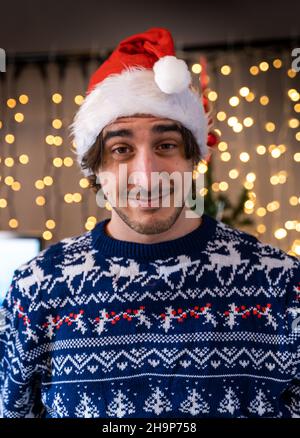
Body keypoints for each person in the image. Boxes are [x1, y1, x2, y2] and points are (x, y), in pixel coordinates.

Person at [0, 27, 299, 418]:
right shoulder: (36, 289)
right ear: (96, 169)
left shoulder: (283, 285)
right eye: (121, 149)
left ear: (195, 159)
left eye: (166, 145)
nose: (146, 174)